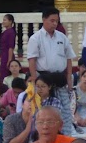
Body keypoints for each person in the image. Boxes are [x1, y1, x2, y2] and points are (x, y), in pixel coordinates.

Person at [26, 8, 77, 136]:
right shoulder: (35, 38)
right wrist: (34, 80)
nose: (54, 24)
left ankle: (66, 136)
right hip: (43, 78)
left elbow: (69, 59)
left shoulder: (62, 37)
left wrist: (69, 81)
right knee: (43, 110)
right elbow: (32, 60)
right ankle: (41, 136)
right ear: (44, 20)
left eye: (56, 21)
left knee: (64, 110)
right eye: (52, 20)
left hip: (60, 78)